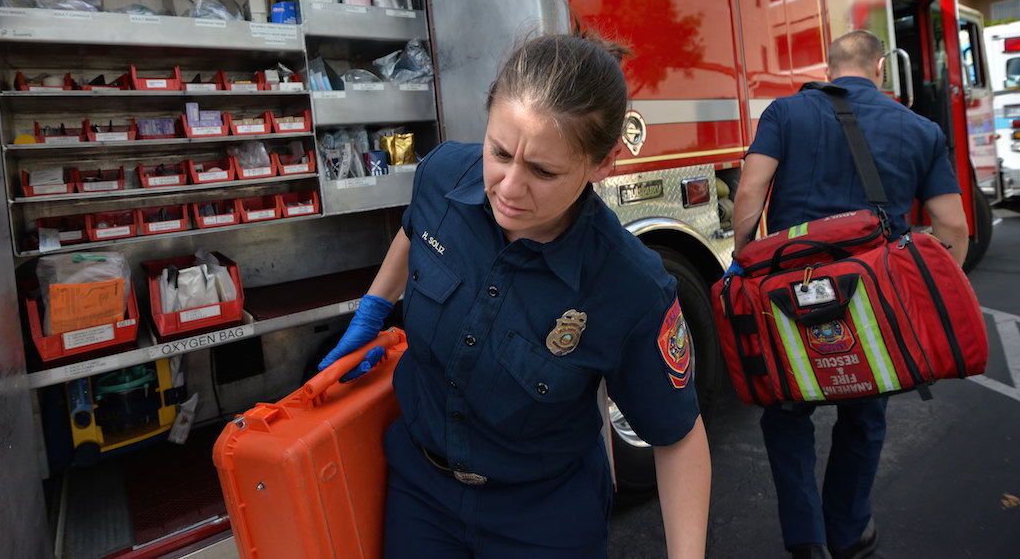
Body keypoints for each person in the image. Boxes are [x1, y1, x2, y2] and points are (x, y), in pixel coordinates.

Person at [318, 31, 711, 558]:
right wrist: (373, 308)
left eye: (544, 171)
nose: (507, 187)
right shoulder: (442, 175)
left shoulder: (630, 286)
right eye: (499, 152)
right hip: (422, 491)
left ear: (603, 164)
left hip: (542, 516)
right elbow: (416, 232)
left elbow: (678, 437)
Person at [731, 29, 970, 559]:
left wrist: (742, 264)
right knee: (865, 413)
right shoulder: (921, 129)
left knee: (786, 410)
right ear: (881, 67)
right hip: (874, 302)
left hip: (794, 297)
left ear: (830, 67)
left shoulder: (785, 113)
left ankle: (806, 539)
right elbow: (952, 227)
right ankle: (848, 530)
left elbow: (749, 193)